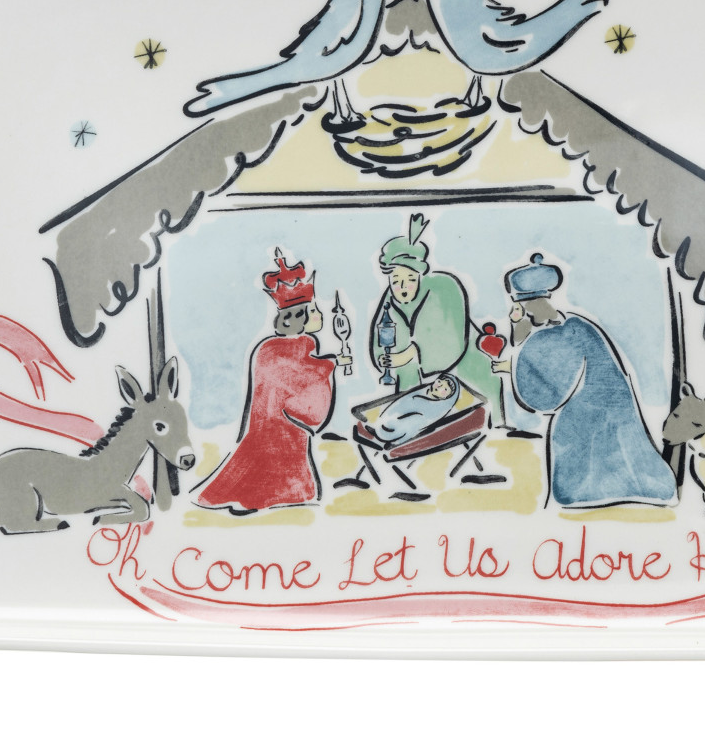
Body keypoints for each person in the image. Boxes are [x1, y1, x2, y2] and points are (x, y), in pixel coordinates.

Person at [502, 253, 676, 509]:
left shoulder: (565, 332)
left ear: (531, 305)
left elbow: (546, 396)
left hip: (589, 415)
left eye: (522, 309)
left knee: (588, 465)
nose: (521, 314)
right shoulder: (575, 325)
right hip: (603, 409)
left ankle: (594, 497)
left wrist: (518, 339)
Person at [194, 249, 351, 514]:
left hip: (284, 424)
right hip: (274, 423)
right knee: (270, 459)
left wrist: (329, 362)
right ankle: (259, 498)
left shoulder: (293, 345)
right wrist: (331, 364)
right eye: (312, 310)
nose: (318, 315)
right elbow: (300, 375)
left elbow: (304, 371)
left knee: (287, 459)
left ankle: (279, 496)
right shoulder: (272, 350)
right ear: (293, 317)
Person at [367, 214, 504, 424]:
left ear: (420, 276)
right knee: (407, 379)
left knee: (486, 389)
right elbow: (380, 340)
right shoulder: (389, 302)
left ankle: (499, 426)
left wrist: (412, 352)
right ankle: (405, 425)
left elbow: (452, 338)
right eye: (395, 280)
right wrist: (386, 360)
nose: (402, 287)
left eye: (410, 279)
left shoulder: (445, 286)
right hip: (416, 367)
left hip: (467, 355)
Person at [376, 374, 461, 446]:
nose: (439, 386)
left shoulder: (434, 410)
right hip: (382, 426)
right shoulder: (422, 391)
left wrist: (398, 443)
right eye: (439, 381)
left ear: (447, 397)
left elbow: (414, 427)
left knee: (415, 420)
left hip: (392, 433)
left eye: (445, 389)